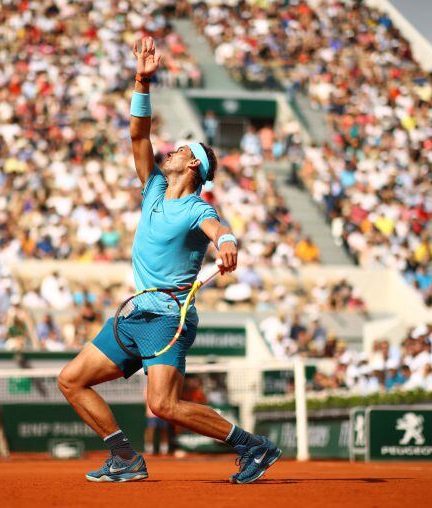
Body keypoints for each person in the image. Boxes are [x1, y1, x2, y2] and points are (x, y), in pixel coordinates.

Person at [58, 37, 280, 485]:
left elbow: (218, 229)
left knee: (164, 406)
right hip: (135, 312)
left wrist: (228, 240)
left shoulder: (199, 208)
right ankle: (125, 457)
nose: (172, 149)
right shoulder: (154, 188)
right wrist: (142, 80)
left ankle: (252, 446)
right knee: (70, 380)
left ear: (194, 166)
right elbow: (138, 133)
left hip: (167, 318)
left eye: (182, 149)